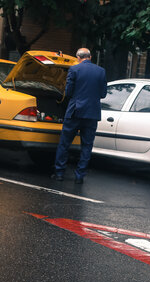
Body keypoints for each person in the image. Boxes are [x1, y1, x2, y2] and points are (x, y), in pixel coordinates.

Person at [51, 48, 107, 184]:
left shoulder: (74, 70)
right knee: (87, 146)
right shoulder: (101, 71)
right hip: (92, 113)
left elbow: (68, 92)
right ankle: (79, 176)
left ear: (78, 57)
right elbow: (103, 94)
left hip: (75, 111)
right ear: (90, 57)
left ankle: (59, 173)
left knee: (64, 144)